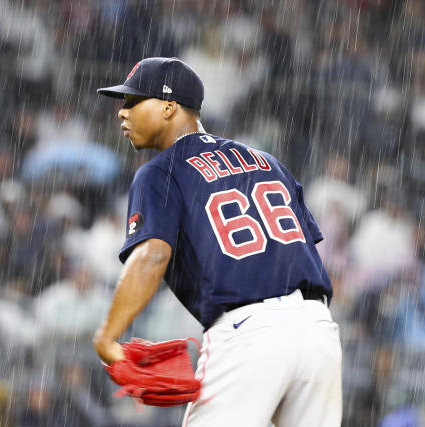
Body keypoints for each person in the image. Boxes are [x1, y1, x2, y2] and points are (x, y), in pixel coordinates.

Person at [93, 57, 342, 426]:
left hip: (247, 334)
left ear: (168, 106)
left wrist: (108, 337)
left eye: (132, 101)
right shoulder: (267, 161)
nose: (121, 113)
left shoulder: (161, 171)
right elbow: (303, 246)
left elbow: (151, 256)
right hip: (318, 331)